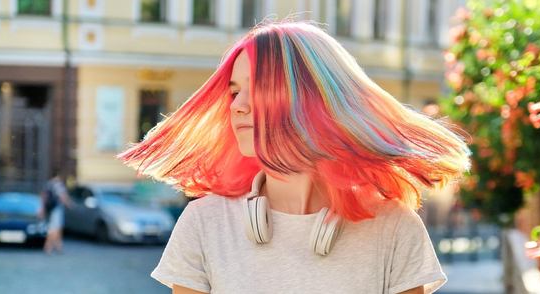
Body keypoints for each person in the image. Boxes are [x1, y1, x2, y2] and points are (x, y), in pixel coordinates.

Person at [118, 20, 471, 294]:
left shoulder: (395, 228)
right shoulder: (203, 223)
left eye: (255, 89)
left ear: (309, 100)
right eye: (234, 92)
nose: (237, 107)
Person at [38, 169, 74, 255]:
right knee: (55, 229)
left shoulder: (49, 184)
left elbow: (43, 196)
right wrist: (69, 204)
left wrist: (42, 209)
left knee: (56, 228)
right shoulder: (58, 184)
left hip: (50, 209)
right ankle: (48, 247)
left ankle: (58, 247)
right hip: (56, 209)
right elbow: (63, 196)